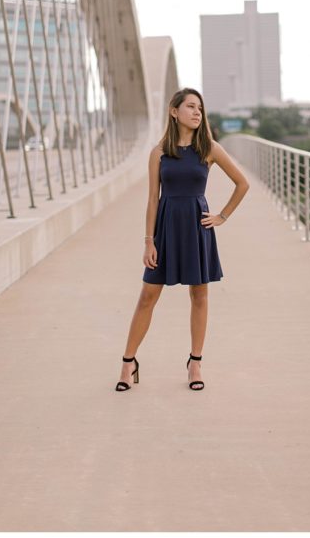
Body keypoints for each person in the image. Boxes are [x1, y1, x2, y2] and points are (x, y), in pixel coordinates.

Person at [115, 88, 249, 392]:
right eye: (190, 107)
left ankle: (195, 362)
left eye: (200, 107)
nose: (197, 112)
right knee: (148, 296)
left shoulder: (209, 148)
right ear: (174, 112)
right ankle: (128, 362)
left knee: (199, 295)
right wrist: (149, 241)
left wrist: (222, 216)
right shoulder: (159, 152)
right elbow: (152, 199)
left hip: (197, 227)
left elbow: (242, 184)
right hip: (165, 227)